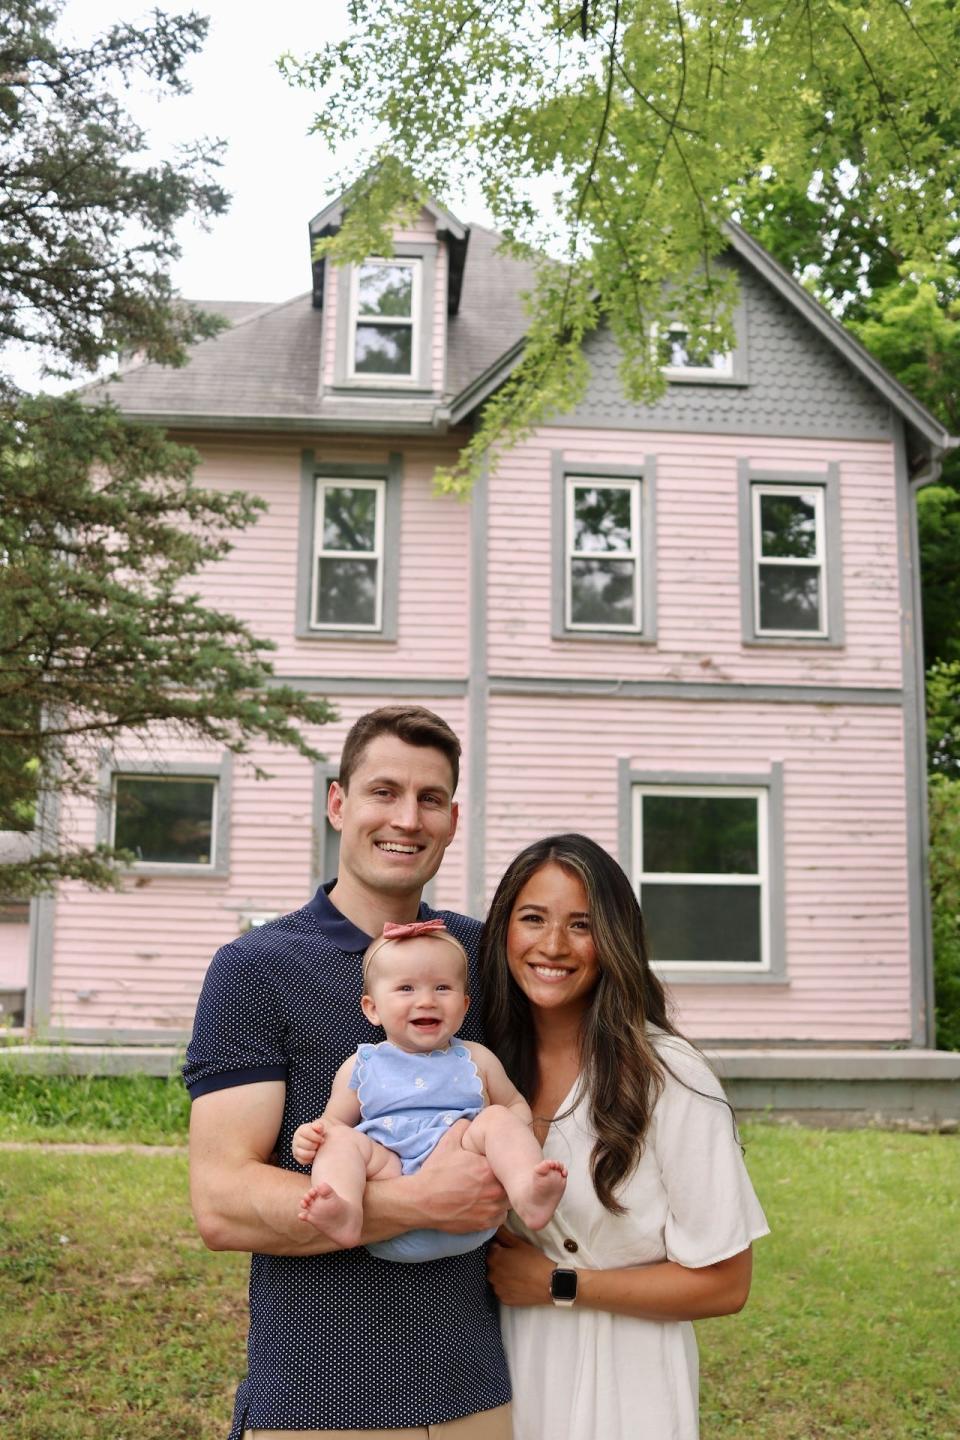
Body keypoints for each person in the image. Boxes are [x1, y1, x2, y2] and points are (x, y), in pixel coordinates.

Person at [184, 706, 513, 1440]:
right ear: (339, 803)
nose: (408, 817)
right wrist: (420, 1202)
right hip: (319, 1402)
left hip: (477, 1394)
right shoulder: (256, 969)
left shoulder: (480, 959)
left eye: (431, 799)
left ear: (453, 819)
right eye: (384, 791)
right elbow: (221, 1202)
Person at [481, 833, 769, 1440]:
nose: (552, 945)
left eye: (581, 925)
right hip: (502, 1376)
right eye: (533, 918)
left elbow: (727, 1283)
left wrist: (560, 1284)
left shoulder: (667, 1075)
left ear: (612, 939)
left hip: (630, 1382)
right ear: (504, 928)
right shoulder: (479, 1069)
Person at [292, 919, 566, 1256]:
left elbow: (515, 1106)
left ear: (464, 1006)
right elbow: (331, 1123)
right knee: (338, 1140)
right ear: (372, 1008)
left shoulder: (475, 1058)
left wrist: (510, 1146)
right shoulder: (362, 1065)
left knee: (497, 1117)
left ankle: (527, 1194)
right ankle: (345, 1212)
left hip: (469, 1187)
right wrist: (311, 1137)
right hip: (389, 1174)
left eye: (442, 988)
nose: (426, 1001)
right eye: (406, 988)